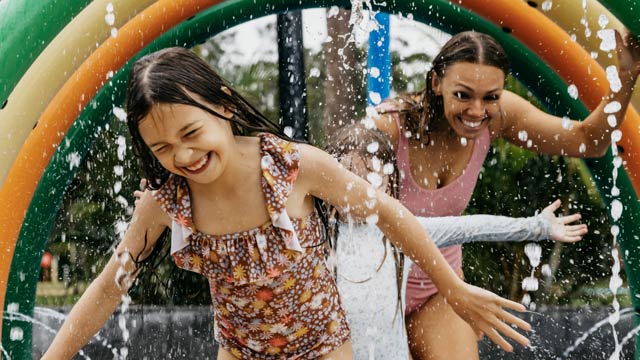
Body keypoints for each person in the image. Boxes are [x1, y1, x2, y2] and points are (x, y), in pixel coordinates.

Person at [41, 47, 532, 360]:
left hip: (322, 349)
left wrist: (455, 290)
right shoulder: (166, 202)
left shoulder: (293, 169)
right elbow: (110, 287)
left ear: (226, 106)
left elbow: (389, 214)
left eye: (191, 134)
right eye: (162, 149)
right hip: (239, 352)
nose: (183, 157)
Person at [365, 30, 640, 359]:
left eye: (490, 97)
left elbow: (588, 142)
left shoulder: (497, 117)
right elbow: (372, 226)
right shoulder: (388, 127)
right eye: (463, 95)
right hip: (376, 292)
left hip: (437, 292)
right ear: (436, 83)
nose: (476, 110)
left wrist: (626, 77)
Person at [325, 125, 587, 359]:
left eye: (368, 180)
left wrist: (535, 226)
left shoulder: (401, 230)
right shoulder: (316, 234)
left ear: (388, 184)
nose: (357, 191)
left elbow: (468, 228)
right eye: (348, 177)